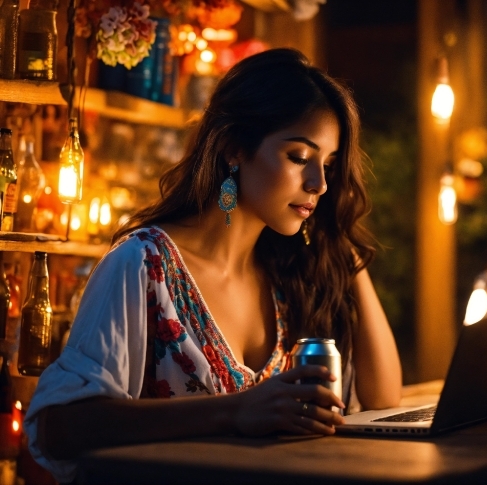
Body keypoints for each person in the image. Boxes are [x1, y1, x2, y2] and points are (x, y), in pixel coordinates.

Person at [24, 48, 402, 483]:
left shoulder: (288, 276)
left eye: (329, 166)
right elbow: (59, 428)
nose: (318, 184)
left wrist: (345, 251)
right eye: (299, 157)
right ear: (234, 148)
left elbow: (382, 401)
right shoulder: (144, 264)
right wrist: (235, 411)